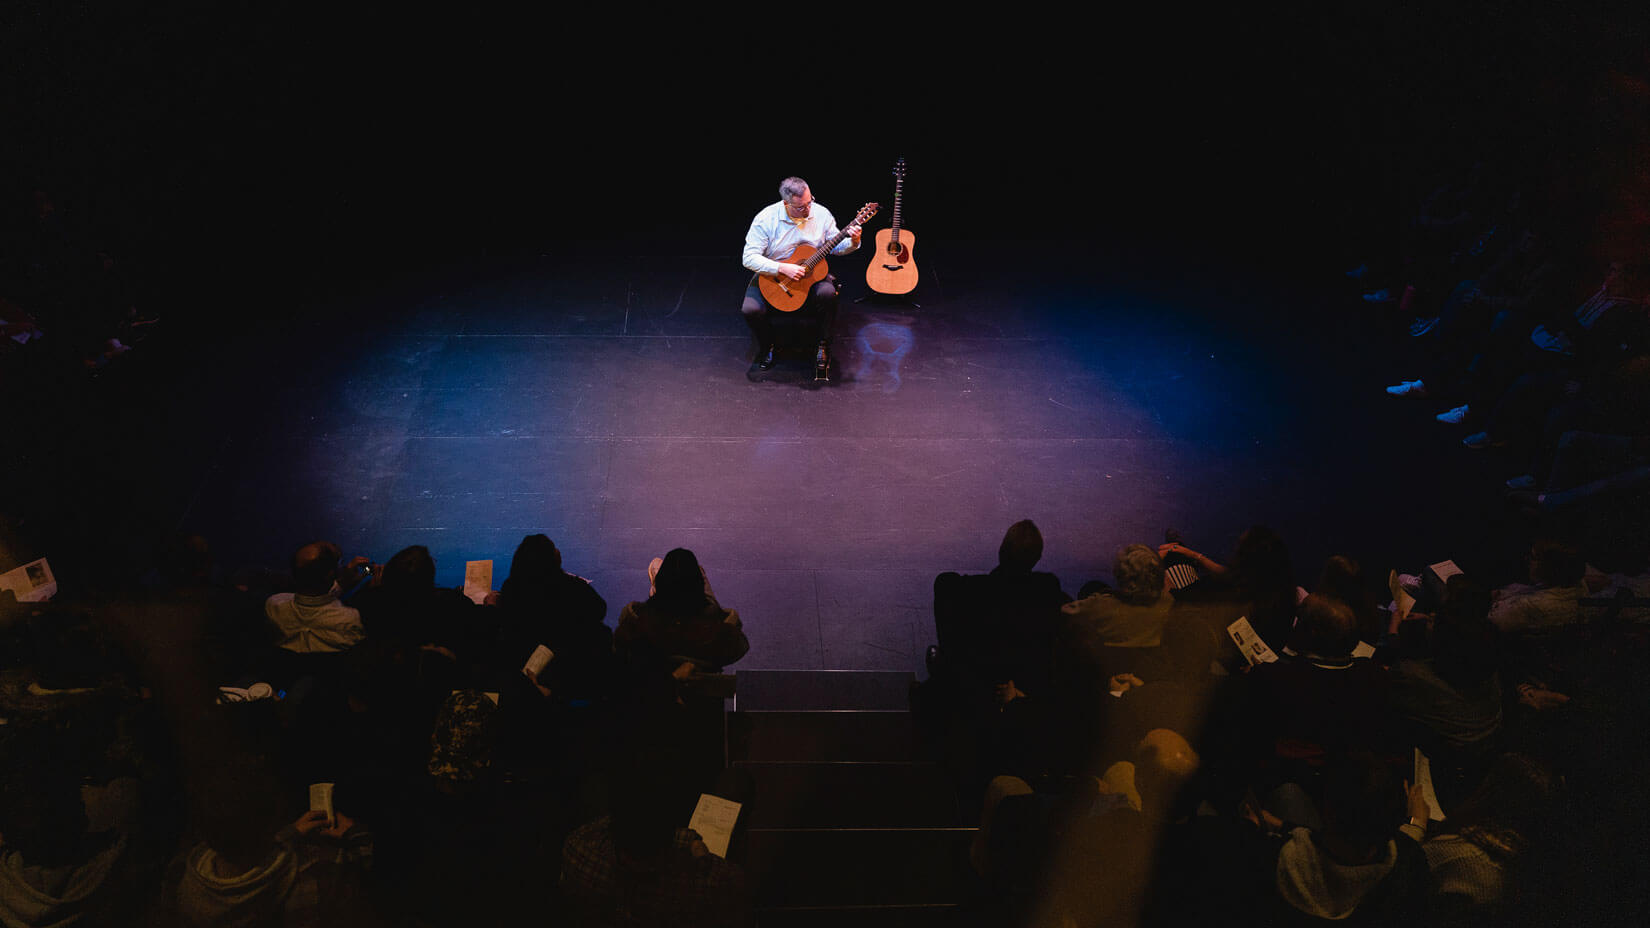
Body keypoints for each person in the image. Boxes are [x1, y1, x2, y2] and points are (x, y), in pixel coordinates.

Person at [740, 176, 864, 374]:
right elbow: (748, 258)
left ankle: (823, 346)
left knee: (827, 294)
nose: (807, 210)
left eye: (809, 202)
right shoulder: (765, 219)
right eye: (800, 207)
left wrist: (854, 242)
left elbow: (836, 247)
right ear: (785, 203)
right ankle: (767, 346)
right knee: (750, 309)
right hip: (774, 275)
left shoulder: (821, 214)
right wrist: (781, 268)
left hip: (810, 275)